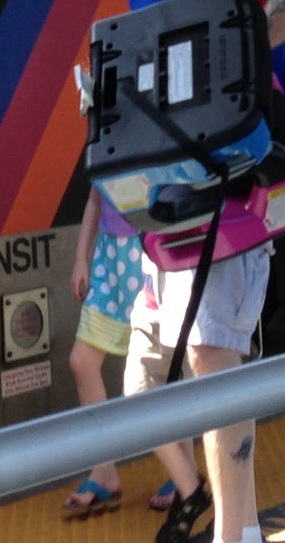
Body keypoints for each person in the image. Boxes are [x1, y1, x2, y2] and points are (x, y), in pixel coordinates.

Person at [83, 0, 285, 543]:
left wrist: (238, 66)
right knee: (181, 359)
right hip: (175, 179)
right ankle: (229, 521)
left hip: (230, 170)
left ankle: (237, 533)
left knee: (211, 350)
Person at [61, 187, 200, 519]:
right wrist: (81, 257)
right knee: (82, 362)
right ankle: (104, 470)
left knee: (168, 367)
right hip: (109, 258)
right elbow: (95, 197)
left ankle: (185, 472)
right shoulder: (100, 133)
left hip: (151, 249)